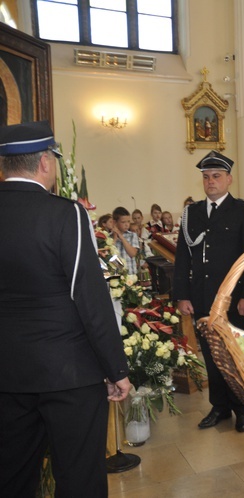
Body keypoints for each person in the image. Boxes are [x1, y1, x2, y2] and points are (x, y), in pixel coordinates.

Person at [0, 121, 131, 497]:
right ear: (44, 162)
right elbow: (89, 295)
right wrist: (115, 368)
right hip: (68, 373)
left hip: (6, 373)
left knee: (10, 474)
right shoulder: (65, 214)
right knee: (79, 477)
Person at [173, 150, 244, 433]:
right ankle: (220, 406)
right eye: (205, 177)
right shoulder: (192, 213)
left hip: (234, 300)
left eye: (216, 176)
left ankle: (242, 407)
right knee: (211, 355)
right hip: (202, 296)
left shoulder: (242, 210)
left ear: (228, 179)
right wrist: (182, 295)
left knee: (235, 355)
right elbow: (183, 257)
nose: (210, 181)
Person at [112, 206, 143, 275]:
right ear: (115, 222)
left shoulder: (132, 235)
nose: (127, 225)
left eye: (128, 221)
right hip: (116, 275)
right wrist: (114, 239)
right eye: (123, 222)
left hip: (131, 274)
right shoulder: (108, 237)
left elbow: (132, 254)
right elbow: (109, 256)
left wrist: (122, 237)